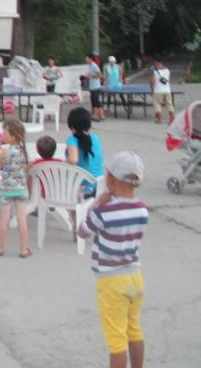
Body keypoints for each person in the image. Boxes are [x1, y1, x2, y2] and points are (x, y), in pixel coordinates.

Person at [77, 152, 149, 368]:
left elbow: (82, 231)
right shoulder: (142, 209)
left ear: (109, 178)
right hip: (135, 276)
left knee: (116, 339)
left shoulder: (103, 211)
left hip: (111, 281)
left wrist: (96, 204)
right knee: (134, 329)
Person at [0, 119, 31, 258]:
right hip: (21, 189)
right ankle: (23, 249)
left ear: (13, 136)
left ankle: (1, 247)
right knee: (22, 220)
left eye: (5, 134)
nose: (3, 136)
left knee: (4, 219)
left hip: (6, 190)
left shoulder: (6, 151)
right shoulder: (23, 151)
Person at [66, 107, 105, 198]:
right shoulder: (95, 138)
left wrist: (64, 162)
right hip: (99, 183)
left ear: (72, 127)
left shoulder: (72, 140)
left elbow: (73, 159)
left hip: (83, 186)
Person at [149, 57, 175, 124]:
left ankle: (160, 120)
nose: (154, 63)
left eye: (154, 62)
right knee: (169, 104)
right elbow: (168, 80)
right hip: (167, 90)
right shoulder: (167, 70)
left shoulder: (153, 70)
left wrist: (151, 89)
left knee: (157, 104)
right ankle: (172, 119)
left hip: (158, 90)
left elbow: (152, 81)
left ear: (156, 62)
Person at [85, 53, 105, 121]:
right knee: (94, 102)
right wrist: (85, 77)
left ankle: (100, 115)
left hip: (96, 87)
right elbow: (88, 74)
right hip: (92, 87)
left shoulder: (94, 66)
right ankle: (97, 115)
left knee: (96, 102)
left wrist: (91, 76)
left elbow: (100, 75)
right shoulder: (89, 66)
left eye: (87, 58)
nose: (86, 60)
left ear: (90, 59)